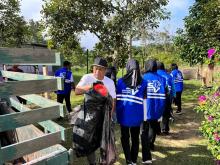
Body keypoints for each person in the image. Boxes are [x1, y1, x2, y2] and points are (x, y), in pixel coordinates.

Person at [75, 57, 116, 165]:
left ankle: (103, 160)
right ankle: (92, 162)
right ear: (92, 68)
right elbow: (77, 90)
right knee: (89, 140)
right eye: (95, 68)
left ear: (105, 70)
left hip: (103, 115)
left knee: (103, 139)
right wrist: (93, 86)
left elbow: (113, 100)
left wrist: (110, 116)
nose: (97, 71)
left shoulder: (109, 82)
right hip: (89, 116)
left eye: (100, 69)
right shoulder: (87, 78)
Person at [116, 59, 146, 165]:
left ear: (127, 68)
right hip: (137, 116)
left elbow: (116, 98)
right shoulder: (144, 82)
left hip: (123, 115)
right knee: (135, 138)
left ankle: (128, 160)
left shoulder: (119, 81)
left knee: (125, 137)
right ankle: (134, 160)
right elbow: (145, 99)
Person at [142, 59, 167, 164]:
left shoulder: (142, 78)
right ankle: (151, 144)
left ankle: (146, 147)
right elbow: (166, 92)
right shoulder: (162, 79)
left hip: (145, 107)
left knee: (144, 128)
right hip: (158, 107)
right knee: (153, 126)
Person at [157, 61, 175, 135]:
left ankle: (157, 129)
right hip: (168, 97)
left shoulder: (155, 75)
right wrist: (173, 96)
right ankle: (165, 129)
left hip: (157, 98)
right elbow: (173, 88)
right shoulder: (168, 76)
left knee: (157, 114)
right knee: (166, 114)